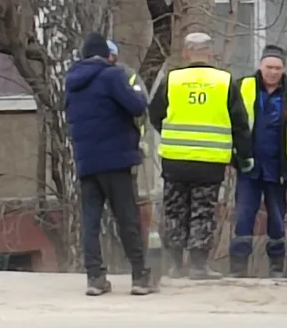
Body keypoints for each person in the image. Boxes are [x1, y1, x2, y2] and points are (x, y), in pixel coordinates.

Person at [148, 32, 251, 280]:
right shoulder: (224, 81)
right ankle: (198, 265)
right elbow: (240, 123)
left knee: (174, 210)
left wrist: (171, 133)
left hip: (175, 159)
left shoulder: (172, 80)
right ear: (210, 53)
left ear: (185, 53)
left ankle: (174, 265)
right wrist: (245, 156)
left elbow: (154, 114)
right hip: (210, 160)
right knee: (203, 210)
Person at [65, 32, 152, 296]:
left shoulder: (71, 82)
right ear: (106, 54)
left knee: (90, 220)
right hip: (116, 158)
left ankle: (95, 277)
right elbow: (137, 106)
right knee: (126, 217)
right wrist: (134, 89)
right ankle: (139, 276)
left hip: (86, 160)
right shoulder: (113, 76)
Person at [230, 45, 287, 278]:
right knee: (244, 216)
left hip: (279, 167)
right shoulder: (242, 87)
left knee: (277, 218)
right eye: (269, 67)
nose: (273, 72)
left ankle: (276, 267)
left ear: (284, 69)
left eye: (277, 68)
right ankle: (238, 268)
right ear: (260, 66)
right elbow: (229, 121)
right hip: (248, 165)